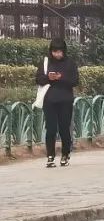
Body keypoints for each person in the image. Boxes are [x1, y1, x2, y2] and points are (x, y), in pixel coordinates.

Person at [35, 38, 79, 168]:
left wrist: (61, 78)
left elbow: (75, 81)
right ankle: (50, 156)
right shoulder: (45, 62)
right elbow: (38, 79)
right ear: (51, 51)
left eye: (60, 52)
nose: (57, 54)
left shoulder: (70, 63)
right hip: (49, 100)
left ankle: (65, 154)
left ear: (64, 51)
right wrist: (48, 77)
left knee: (64, 128)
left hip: (65, 100)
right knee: (51, 129)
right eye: (55, 52)